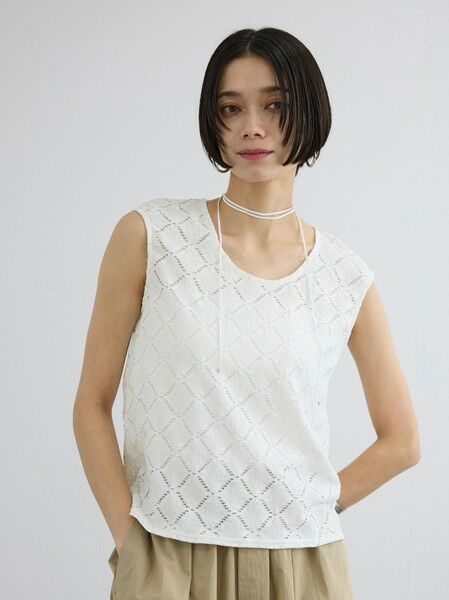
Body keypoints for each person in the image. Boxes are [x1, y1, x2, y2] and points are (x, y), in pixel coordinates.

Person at [73, 27, 420, 600]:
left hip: (301, 561)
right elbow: (91, 402)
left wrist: (303, 504)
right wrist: (129, 540)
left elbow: (402, 441)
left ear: (309, 110)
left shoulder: (344, 275)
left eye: (275, 106)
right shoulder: (152, 237)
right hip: (165, 551)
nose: (251, 127)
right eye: (231, 108)